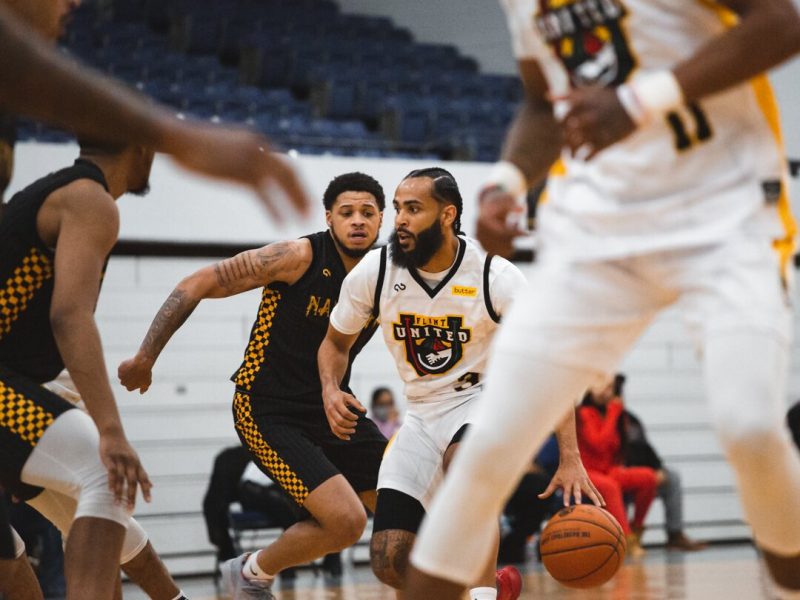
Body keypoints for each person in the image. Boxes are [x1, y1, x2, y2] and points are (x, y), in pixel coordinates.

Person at [405, 0, 800, 598]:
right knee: (490, 445)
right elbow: (544, 100)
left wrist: (641, 101)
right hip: (596, 230)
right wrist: (507, 181)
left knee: (749, 428)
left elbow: (782, 23)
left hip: (727, 213)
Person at [318, 167, 602, 600]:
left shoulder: (494, 276)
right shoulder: (377, 271)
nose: (400, 220)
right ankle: (496, 586)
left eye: (414, 209)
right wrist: (330, 389)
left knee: (465, 464)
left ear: (447, 215)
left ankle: (483, 594)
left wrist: (569, 456)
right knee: (390, 561)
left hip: (482, 401)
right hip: (420, 414)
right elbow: (334, 344)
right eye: (397, 209)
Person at [118, 172, 389, 600]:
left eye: (368, 213)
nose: (357, 221)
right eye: (346, 212)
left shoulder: (384, 275)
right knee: (346, 522)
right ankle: (250, 573)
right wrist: (146, 356)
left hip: (333, 405)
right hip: (266, 409)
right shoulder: (297, 256)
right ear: (328, 218)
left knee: (406, 507)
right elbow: (197, 283)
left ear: (381, 220)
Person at [0, 137, 196, 600]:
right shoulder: (90, 199)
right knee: (104, 474)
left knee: (14, 554)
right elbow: (69, 315)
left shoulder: (41, 197)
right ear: (140, 148)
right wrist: (111, 430)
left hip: (16, 385)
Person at [0, 2, 310, 215]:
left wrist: (176, 136)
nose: (76, 2)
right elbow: (70, 313)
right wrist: (178, 136)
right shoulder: (91, 201)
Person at [615, 374, 706, 552]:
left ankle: (674, 534)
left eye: (620, 393)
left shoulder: (631, 420)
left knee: (672, 477)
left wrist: (658, 468)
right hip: (620, 475)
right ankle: (623, 537)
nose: (619, 398)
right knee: (626, 482)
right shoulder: (601, 418)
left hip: (639, 474)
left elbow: (646, 448)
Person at [577, 377, 657, 558]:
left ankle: (636, 529)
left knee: (648, 477)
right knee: (610, 486)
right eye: (601, 385)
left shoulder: (614, 414)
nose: (606, 390)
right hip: (585, 473)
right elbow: (598, 443)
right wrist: (614, 413)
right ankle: (625, 539)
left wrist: (616, 416)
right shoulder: (583, 413)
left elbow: (618, 449)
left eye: (610, 387)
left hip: (608, 471)